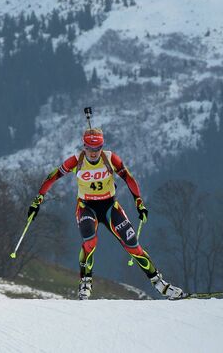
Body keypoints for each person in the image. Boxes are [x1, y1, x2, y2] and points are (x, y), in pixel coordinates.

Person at [27, 126, 183, 300]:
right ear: (83, 146)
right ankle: (85, 282)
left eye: (97, 148)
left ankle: (160, 284)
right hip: (87, 207)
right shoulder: (76, 161)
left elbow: (129, 178)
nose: (93, 152)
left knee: (133, 245)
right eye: (89, 148)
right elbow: (53, 176)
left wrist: (139, 202)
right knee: (90, 240)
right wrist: (38, 200)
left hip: (110, 206)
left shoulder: (110, 159)